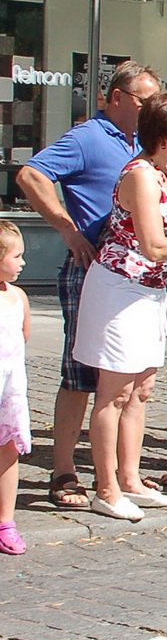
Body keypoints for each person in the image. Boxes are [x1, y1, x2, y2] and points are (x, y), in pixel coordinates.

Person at [16, 61, 162, 509]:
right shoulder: (89, 137)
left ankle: (122, 475)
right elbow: (30, 174)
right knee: (80, 374)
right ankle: (63, 470)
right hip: (92, 268)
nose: (152, 109)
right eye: (145, 101)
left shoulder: (140, 142)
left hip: (133, 276)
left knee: (130, 379)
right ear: (117, 97)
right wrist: (68, 229)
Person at [72, 93, 167, 521]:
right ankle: (106, 488)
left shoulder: (163, 171)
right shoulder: (139, 175)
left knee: (141, 389)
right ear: (163, 133)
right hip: (120, 290)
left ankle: (131, 479)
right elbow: (153, 246)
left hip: (149, 291)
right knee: (114, 393)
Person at [0, 223, 31, 557]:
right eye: (17, 256)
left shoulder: (17, 296)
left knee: (8, 450)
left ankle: (5, 520)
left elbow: (23, 335)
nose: (23, 262)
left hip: (9, 389)